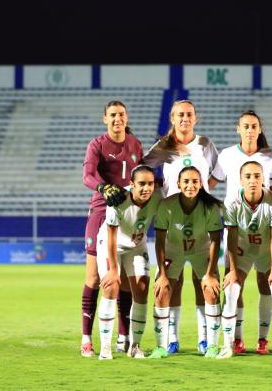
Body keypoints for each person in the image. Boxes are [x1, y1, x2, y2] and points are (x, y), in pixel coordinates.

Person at [144, 99, 218, 355]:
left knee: (203, 282)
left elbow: (216, 175)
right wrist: (162, 191)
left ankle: (204, 340)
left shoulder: (205, 144)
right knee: (171, 284)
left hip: (201, 222)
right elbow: (143, 170)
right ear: (172, 119)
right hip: (172, 221)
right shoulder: (164, 146)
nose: (185, 119)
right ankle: (171, 339)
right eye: (180, 115)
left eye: (189, 114)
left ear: (195, 118)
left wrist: (202, 197)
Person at [209, 111, 272, 355]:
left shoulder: (270, 156)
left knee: (265, 284)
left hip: (264, 227)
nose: (250, 130)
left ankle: (263, 339)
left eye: (254, 126)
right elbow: (210, 184)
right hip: (235, 229)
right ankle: (236, 339)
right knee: (233, 282)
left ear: (260, 129)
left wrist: (269, 206)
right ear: (238, 129)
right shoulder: (227, 155)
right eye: (245, 126)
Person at [80, 101, 143, 357]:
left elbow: (141, 176)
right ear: (104, 118)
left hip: (127, 215)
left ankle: (123, 337)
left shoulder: (135, 144)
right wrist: (102, 187)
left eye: (121, 114)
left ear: (127, 118)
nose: (118, 119)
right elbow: (87, 175)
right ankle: (86, 338)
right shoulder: (97, 145)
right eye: (113, 115)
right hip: (100, 213)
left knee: (125, 279)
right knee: (95, 278)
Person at [217, 161, 272, 359]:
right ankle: (231, 343)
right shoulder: (231, 202)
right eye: (248, 176)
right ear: (241, 180)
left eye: (257, 176)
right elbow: (231, 236)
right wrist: (233, 270)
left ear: (263, 179)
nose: (253, 180)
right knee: (231, 289)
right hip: (242, 248)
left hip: (268, 249)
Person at [150, 166, 223, 359]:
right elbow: (159, 241)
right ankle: (166, 344)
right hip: (173, 249)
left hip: (201, 249)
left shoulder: (210, 207)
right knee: (162, 291)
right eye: (186, 181)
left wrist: (210, 274)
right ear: (178, 184)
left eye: (195, 181)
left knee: (210, 290)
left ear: (201, 184)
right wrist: (162, 275)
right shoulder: (166, 205)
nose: (190, 185)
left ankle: (209, 343)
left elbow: (216, 240)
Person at [95, 165, 161, 359]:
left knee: (142, 288)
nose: (146, 188)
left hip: (136, 246)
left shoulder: (157, 198)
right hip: (111, 245)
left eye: (150, 184)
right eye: (142, 184)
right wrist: (114, 270)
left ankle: (135, 346)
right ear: (132, 184)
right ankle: (105, 347)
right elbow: (111, 236)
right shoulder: (118, 199)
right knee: (110, 287)